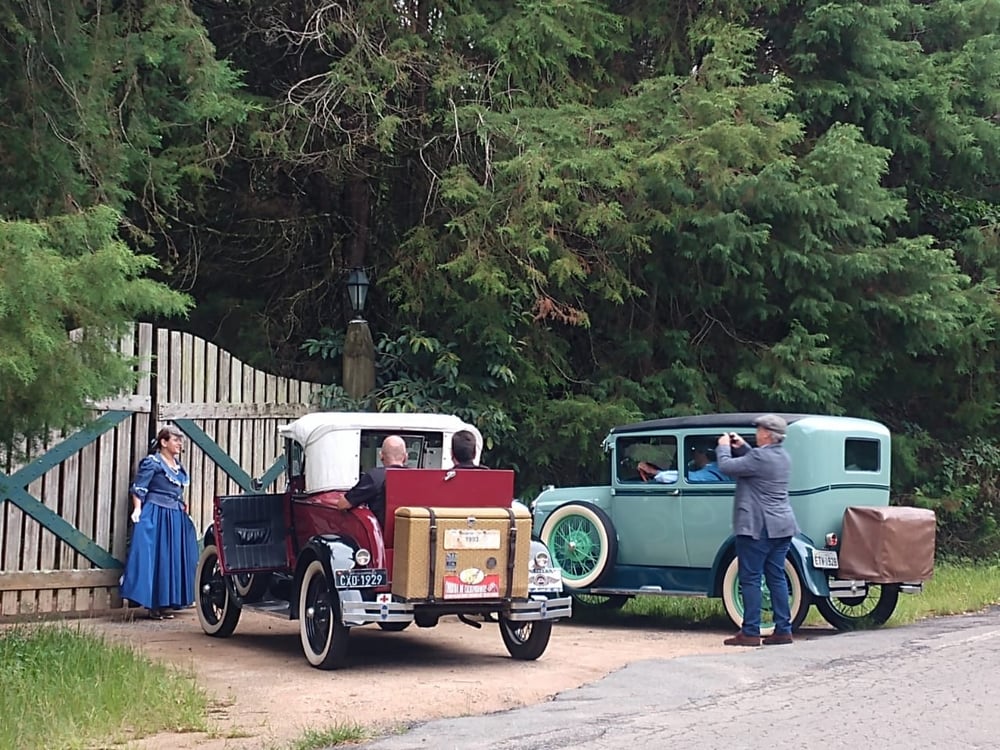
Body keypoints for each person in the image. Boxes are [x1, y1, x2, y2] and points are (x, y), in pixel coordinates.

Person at [716, 414, 799, 647]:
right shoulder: (782, 457)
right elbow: (754, 462)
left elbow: (726, 466)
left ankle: (750, 631)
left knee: (750, 578)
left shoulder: (760, 458)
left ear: (766, 434)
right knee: (776, 577)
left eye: (759, 429)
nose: (756, 432)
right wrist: (742, 447)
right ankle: (783, 629)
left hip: (758, 527)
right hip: (782, 526)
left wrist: (723, 448)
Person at [120, 425, 200, 620]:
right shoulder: (153, 463)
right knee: (157, 558)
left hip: (175, 516)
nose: (180, 444)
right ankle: (153, 605)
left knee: (172, 558)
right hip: (156, 515)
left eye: (180, 440)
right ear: (164, 442)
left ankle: (167, 603)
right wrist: (138, 509)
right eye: (176, 440)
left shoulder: (178, 466)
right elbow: (139, 488)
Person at [334, 435, 408, 527]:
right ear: (405, 457)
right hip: (414, 536)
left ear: (381, 455)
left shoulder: (374, 476)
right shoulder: (418, 478)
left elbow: (343, 504)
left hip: (382, 537)